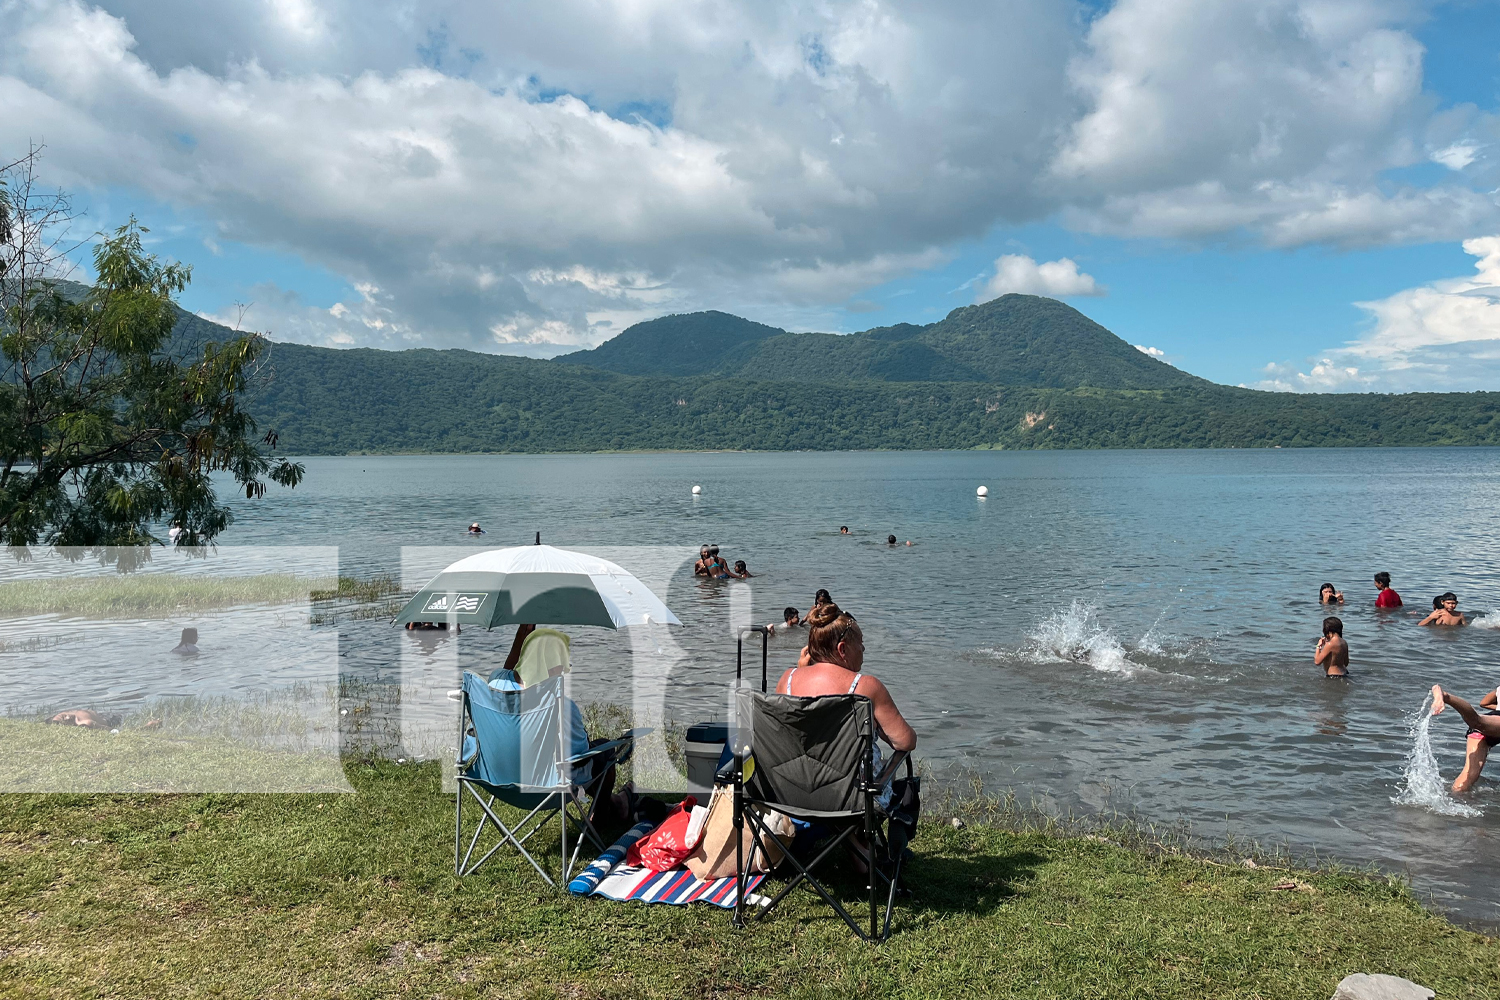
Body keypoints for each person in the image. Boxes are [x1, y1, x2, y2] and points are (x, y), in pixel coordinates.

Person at [776, 603, 917, 814]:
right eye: (860, 642)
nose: (863, 648)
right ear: (842, 649)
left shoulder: (788, 678)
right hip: (851, 799)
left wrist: (800, 670)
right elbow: (906, 741)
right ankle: (859, 839)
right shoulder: (866, 687)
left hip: (791, 794)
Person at [1430, 685, 1500, 793]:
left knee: (1467, 778)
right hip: (1496, 722)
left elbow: (1484, 703)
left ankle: (1453, 804)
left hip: (1487, 726)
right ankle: (1446, 697)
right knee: (1477, 721)